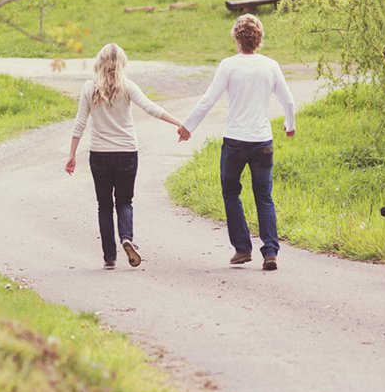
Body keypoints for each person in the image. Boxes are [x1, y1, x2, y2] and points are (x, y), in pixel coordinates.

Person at [177, 14, 296, 271]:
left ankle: (242, 248)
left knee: (231, 192)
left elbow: (209, 99)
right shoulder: (271, 65)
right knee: (264, 196)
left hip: (235, 142)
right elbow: (288, 101)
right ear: (259, 37)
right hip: (262, 140)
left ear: (236, 38)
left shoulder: (228, 65)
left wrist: (188, 126)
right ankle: (270, 251)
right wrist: (290, 124)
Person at [66, 43, 186, 269]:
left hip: (99, 154)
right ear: (122, 63)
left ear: (99, 63)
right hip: (126, 153)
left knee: (104, 205)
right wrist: (180, 123)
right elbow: (150, 108)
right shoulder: (128, 86)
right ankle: (127, 237)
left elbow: (80, 123)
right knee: (124, 201)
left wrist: (72, 155)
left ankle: (109, 258)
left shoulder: (88, 88)